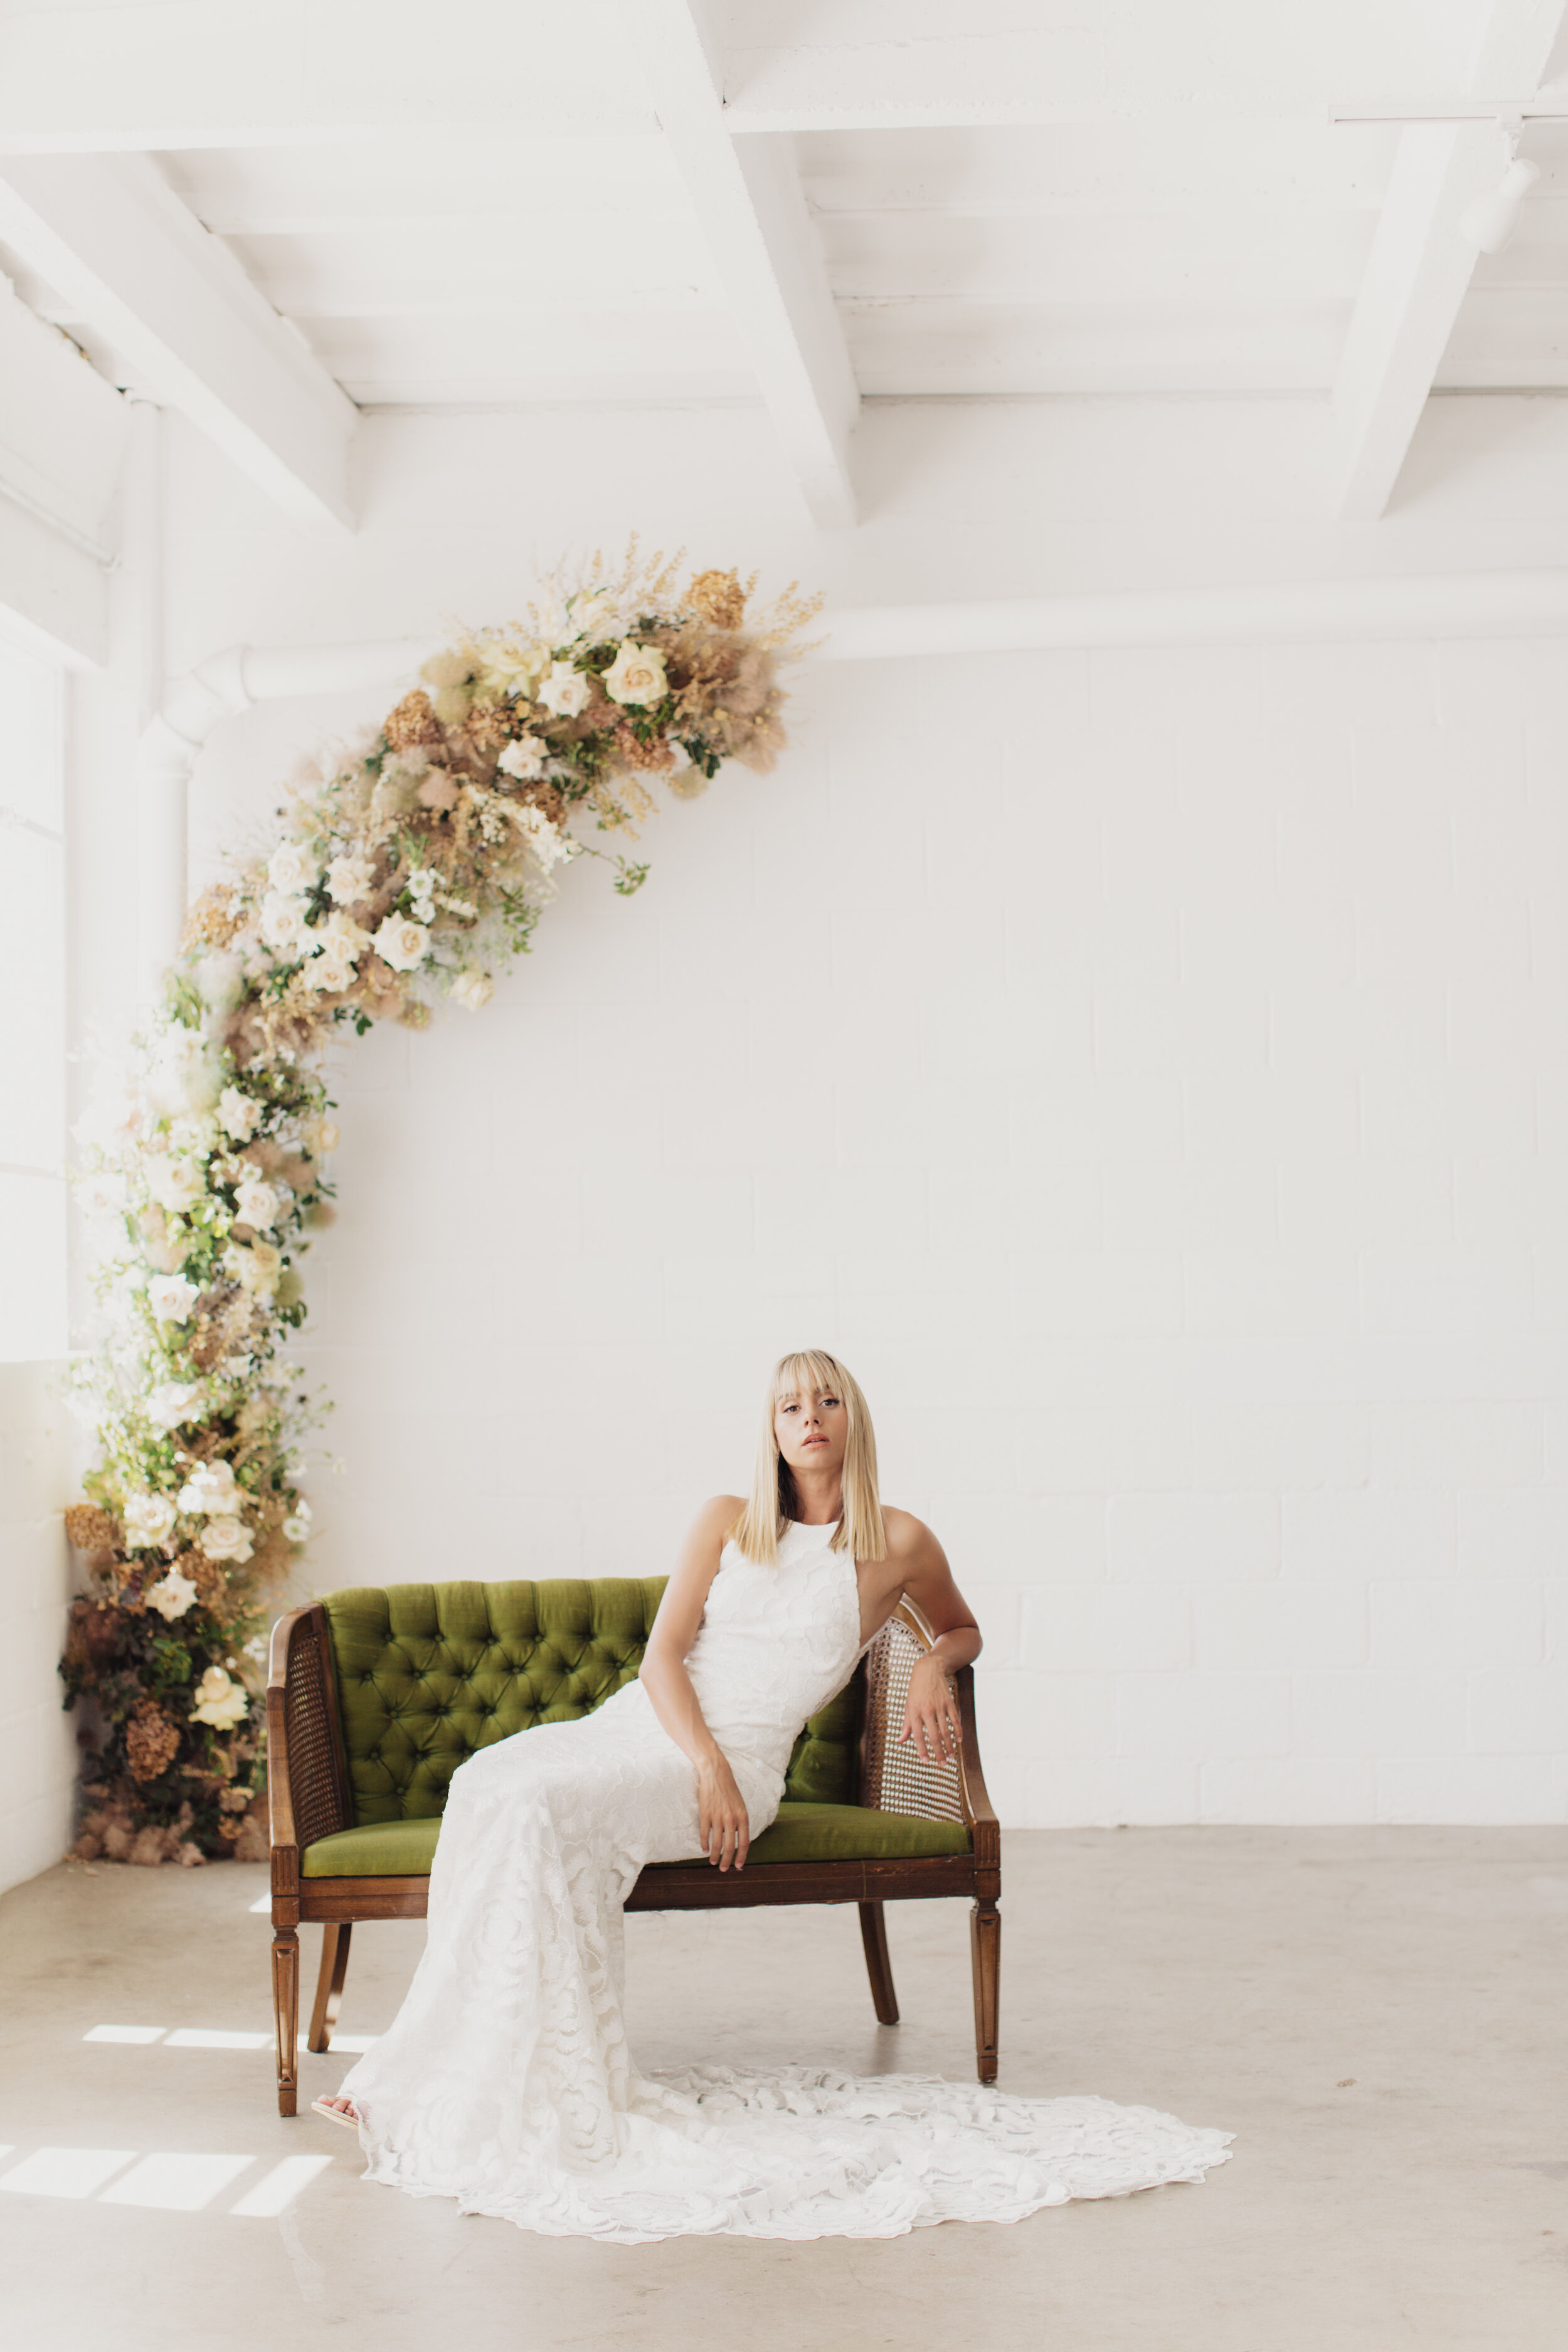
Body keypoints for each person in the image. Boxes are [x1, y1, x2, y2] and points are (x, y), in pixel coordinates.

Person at [312, 1348, 1231, 2238]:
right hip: (655, 1734)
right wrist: (700, 1760)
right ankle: (415, 2079)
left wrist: (930, 1668)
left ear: (853, 1418)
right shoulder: (726, 1518)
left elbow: (963, 1627)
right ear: (772, 1428)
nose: (809, 1419)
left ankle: (480, 2092)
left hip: (747, 1768)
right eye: (790, 1405)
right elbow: (661, 1657)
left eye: (827, 1401)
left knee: (535, 1807)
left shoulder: (899, 1540)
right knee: (488, 1782)